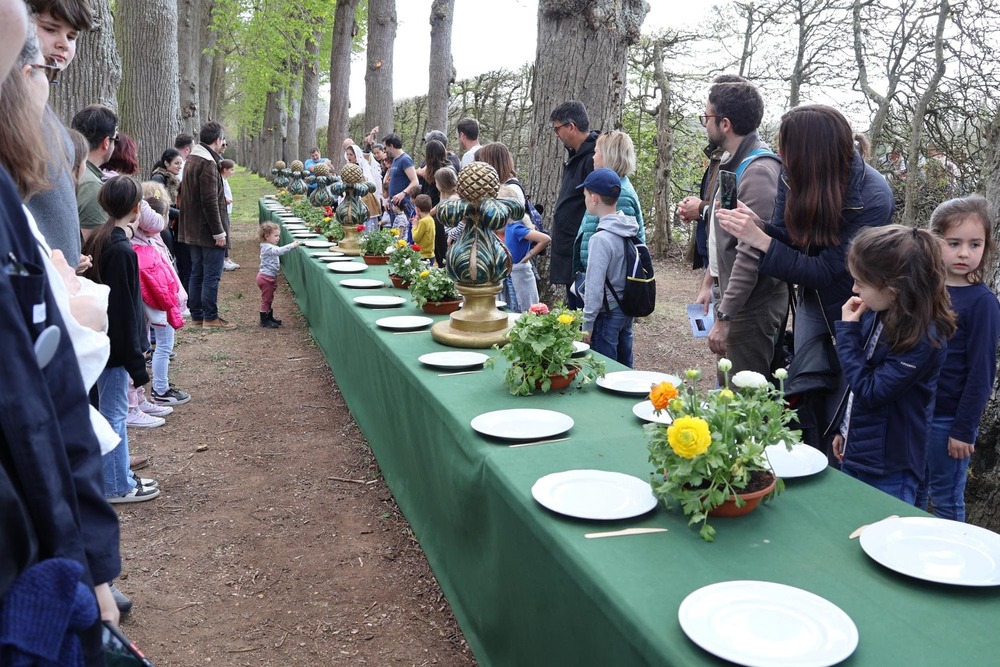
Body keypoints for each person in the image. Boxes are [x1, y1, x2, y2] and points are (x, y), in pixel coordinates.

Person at [716, 105, 894, 455]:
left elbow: (828, 270)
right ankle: (807, 456)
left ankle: (837, 467)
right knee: (806, 385)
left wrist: (761, 239)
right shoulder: (791, 175)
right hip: (812, 301)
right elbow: (790, 239)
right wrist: (762, 227)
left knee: (841, 397)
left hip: (856, 306)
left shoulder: (872, 196)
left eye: (787, 149)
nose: (781, 156)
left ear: (814, 154)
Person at [831, 225, 955, 504]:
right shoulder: (879, 311)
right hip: (859, 451)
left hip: (890, 467)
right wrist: (844, 428)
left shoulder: (925, 339)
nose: (854, 289)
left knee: (884, 537)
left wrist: (847, 335)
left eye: (861, 283)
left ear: (894, 290)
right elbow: (857, 377)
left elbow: (871, 391)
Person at [689, 77, 786, 381]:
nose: (705, 124)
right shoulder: (734, 164)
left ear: (725, 123)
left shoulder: (758, 172)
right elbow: (726, 234)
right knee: (728, 395)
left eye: (707, 118)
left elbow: (751, 252)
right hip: (733, 299)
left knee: (746, 409)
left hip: (752, 309)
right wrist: (710, 282)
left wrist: (726, 315)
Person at [916, 196, 1000, 520]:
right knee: (914, 494)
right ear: (935, 241)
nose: (965, 253)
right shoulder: (925, 291)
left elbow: (982, 371)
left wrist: (964, 429)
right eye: (954, 243)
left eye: (975, 244)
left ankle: (949, 568)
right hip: (916, 415)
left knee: (947, 499)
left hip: (948, 422)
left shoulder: (983, 303)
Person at [81, 176, 160, 504]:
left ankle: (118, 475)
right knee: (114, 414)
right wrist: (136, 360)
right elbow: (125, 310)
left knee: (106, 412)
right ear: (136, 208)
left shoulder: (99, 239)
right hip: (113, 348)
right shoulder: (122, 250)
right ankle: (116, 485)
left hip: (97, 341)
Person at [24, 0, 92, 270]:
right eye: (50, 29)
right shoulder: (11, 104)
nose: (64, 43)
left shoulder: (41, 103)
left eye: (72, 36)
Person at [136, 184, 190, 405]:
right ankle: (160, 390)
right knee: (164, 347)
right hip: (161, 303)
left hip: (159, 302)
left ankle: (157, 389)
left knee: (159, 347)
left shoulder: (147, 240)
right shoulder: (152, 245)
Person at [579, 168, 638, 367]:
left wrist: (587, 325)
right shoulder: (628, 229)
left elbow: (594, 286)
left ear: (594, 198)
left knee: (606, 369)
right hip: (626, 309)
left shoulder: (600, 239)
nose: (585, 199)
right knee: (625, 364)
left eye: (585, 195)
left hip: (607, 314)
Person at [177, 120, 234, 329]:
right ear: (217, 140)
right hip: (206, 231)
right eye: (222, 140)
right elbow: (210, 201)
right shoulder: (207, 162)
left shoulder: (193, 158)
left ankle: (198, 315)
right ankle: (210, 317)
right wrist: (219, 232)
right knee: (210, 274)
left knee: (197, 273)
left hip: (193, 228)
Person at [574, 130, 648, 274]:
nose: (593, 158)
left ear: (609, 156)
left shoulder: (620, 194)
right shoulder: (606, 187)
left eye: (596, 153)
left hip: (606, 282)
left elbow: (619, 251)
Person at [549, 100, 598, 299]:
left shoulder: (593, 158)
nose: (556, 134)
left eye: (557, 129)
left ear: (571, 127)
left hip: (581, 252)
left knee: (581, 310)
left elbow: (596, 207)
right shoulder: (575, 156)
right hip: (568, 248)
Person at [71, 104, 118, 241]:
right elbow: (92, 246)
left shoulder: (65, 168)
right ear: (106, 143)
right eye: (115, 139)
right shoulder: (91, 185)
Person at [504, 188, 550, 311]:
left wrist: (528, 256)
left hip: (519, 272)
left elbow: (545, 239)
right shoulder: (509, 225)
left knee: (520, 308)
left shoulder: (516, 227)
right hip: (511, 272)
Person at [257, 222, 298, 328]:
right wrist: (292, 245)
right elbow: (279, 251)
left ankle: (269, 317)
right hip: (266, 278)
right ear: (266, 236)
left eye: (278, 235)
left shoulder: (269, 246)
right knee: (266, 299)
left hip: (269, 277)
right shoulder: (268, 248)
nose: (278, 238)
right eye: (275, 236)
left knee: (269, 298)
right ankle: (264, 320)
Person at [383, 132, 419, 226]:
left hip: (404, 204)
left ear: (391, 146)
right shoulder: (395, 160)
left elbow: (415, 181)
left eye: (386, 148)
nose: (385, 151)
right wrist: (388, 200)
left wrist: (403, 193)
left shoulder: (405, 159)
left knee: (405, 232)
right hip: (394, 204)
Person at [220, 158, 239, 271]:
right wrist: (224, 199)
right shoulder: (220, 180)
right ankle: (224, 260)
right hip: (223, 210)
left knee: (227, 233)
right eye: (231, 170)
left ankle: (226, 258)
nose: (233, 172)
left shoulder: (224, 179)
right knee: (225, 233)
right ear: (225, 170)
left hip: (227, 210)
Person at [411, 194, 435, 260]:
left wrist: (414, 225)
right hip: (430, 254)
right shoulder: (430, 219)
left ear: (417, 209)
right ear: (431, 207)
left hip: (423, 255)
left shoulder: (423, 222)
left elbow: (415, 238)